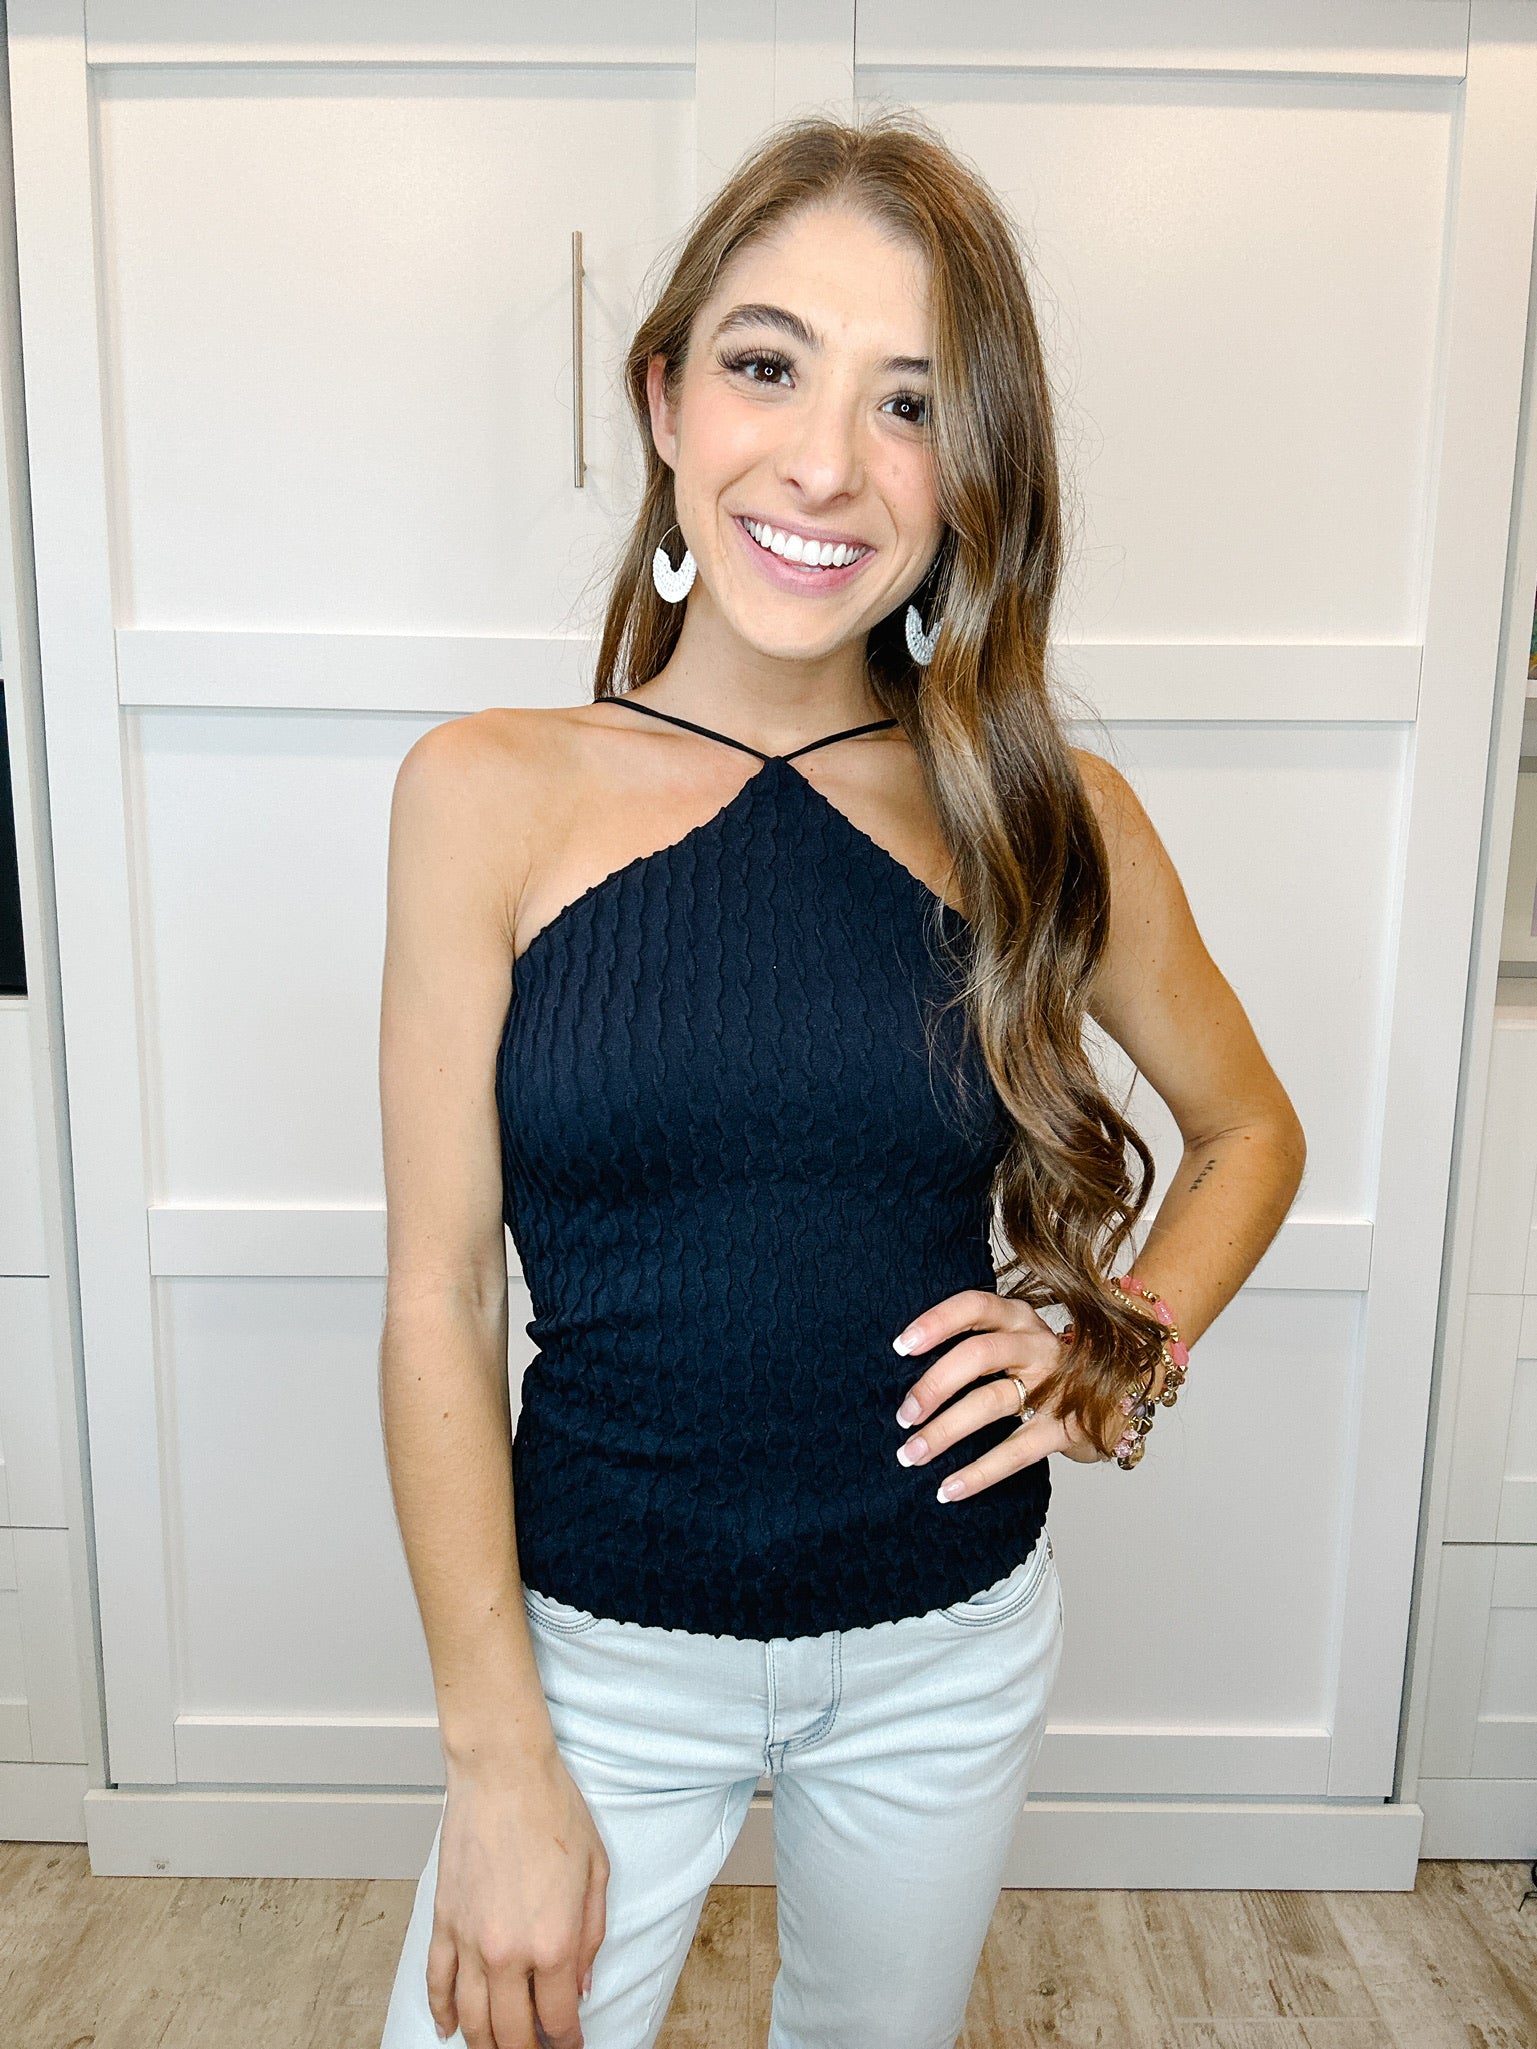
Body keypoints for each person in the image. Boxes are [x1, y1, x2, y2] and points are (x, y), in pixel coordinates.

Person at [374, 111, 1306, 2049]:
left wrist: (1113, 1347)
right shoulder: (482, 794)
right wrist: (496, 1755)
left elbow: (1248, 1130)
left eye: (909, 402)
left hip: (941, 1646)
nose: (822, 461)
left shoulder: (1048, 816)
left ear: (973, 470)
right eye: (765, 364)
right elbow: (440, 1294)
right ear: (664, 399)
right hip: (595, 1655)